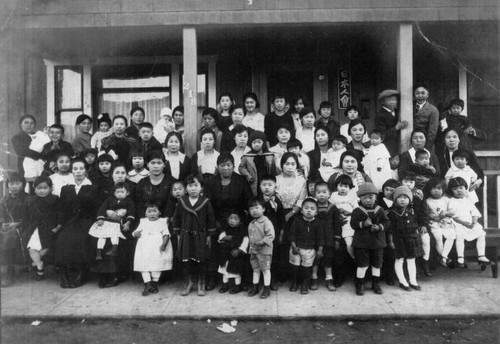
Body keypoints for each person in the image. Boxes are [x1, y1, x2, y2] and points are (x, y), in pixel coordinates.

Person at [204, 153, 253, 291]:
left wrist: (241, 222)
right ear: (217, 167)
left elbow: (248, 202)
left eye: (228, 165)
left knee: (239, 247)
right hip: (217, 221)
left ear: (233, 166)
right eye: (222, 165)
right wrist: (214, 223)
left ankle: (241, 279)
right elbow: (207, 205)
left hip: (237, 221)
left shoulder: (240, 181)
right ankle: (214, 277)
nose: (225, 168)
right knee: (215, 246)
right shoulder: (211, 182)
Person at [172, 174, 217, 296]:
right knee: (186, 260)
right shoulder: (182, 202)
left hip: (200, 235)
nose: (193, 188)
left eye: (196, 185)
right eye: (190, 186)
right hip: (185, 235)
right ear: (186, 188)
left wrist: (209, 235)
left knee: (201, 260)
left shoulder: (205, 202)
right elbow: (176, 219)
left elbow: (211, 220)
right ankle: (189, 282)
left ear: (201, 187)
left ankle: (201, 282)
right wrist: (178, 234)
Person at [54, 158, 94, 288]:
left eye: (81, 169)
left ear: (86, 171)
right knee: (63, 239)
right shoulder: (66, 189)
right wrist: (60, 224)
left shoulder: (91, 187)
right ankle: (64, 273)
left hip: (86, 220)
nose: (78, 172)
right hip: (69, 221)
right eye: (75, 169)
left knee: (81, 239)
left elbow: (95, 207)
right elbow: (61, 208)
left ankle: (80, 272)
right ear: (72, 171)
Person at [350, 182, 389, 296]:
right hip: (362, 244)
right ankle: (359, 284)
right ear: (360, 198)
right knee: (362, 265)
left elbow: (387, 222)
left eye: (371, 197)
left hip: (377, 243)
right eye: (364, 197)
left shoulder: (380, 210)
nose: (367, 200)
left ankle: (375, 284)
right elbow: (353, 224)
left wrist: (379, 227)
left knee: (377, 265)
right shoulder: (357, 211)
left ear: (376, 197)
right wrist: (364, 224)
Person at [387, 186, 425, 291]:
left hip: (412, 239)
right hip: (399, 240)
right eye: (399, 197)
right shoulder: (391, 213)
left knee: (411, 260)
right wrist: (390, 241)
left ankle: (413, 281)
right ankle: (402, 281)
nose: (402, 199)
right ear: (395, 199)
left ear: (410, 199)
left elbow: (416, 223)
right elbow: (389, 229)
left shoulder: (412, 211)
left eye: (405, 197)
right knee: (399, 260)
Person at [447, 177, 490, 269]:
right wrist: (463, 223)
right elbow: (453, 216)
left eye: (461, 188)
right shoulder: (451, 201)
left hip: (470, 223)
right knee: (459, 236)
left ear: (465, 188)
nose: (458, 191)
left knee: (481, 234)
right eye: (455, 189)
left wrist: (474, 222)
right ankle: (460, 257)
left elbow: (474, 212)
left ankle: (481, 255)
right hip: (459, 223)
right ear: (451, 191)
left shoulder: (468, 200)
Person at [133, 202, 173, 296]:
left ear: (159, 212)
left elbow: (166, 234)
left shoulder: (162, 222)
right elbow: (135, 232)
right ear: (145, 213)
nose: (152, 214)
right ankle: (147, 283)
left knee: (156, 265)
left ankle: (154, 283)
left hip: (157, 248)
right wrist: (136, 234)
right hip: (144, 248)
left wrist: (164, 244)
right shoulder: (143, 221)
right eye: (149, 211)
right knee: (144, 265)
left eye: (155, 211)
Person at [89, 182, 135, 260]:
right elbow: (102, 208)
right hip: (106, 221)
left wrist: (128, 222)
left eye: (122, 192)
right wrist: (100, 218)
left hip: (117, 222)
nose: (120, 194)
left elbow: (132, 212)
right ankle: (99, 253)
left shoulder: (129, 202)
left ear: (127, 193)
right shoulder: (109, 199)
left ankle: (114, 249)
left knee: (115, 234)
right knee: (101, 236)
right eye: (118, 192)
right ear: (114, 193)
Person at [25, 176, 59, 281]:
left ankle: (37, 263)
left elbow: (59, 214)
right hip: (35, 227)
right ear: (34, 189)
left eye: (45, 188)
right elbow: (27, 215)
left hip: (50, 227)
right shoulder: (31, 200)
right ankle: (39, 265)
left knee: (45, 247)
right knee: (31, 247)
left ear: (50, 188)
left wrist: (57, 226)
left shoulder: (55, 200)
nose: (42, 191)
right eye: (39, 188)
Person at [288, 197, 323, 295]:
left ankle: (305, 284)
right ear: (302, 210)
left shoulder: (317, 223)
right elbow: (292, 234)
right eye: (306, 208)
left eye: (312, 209)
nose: (309, 210)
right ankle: (294, 283)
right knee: (295, 267)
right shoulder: (297, 221)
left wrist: (320, 250)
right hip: (296, 248)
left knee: (306, 268)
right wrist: (294, 246)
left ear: (316, 212)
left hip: (309, 249)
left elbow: (320, 237)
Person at [311, 182, 341, 292]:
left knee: (328, 259)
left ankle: (329, 279)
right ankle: (314, 278)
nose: (321, 195)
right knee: (315, 259)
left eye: (324, 192)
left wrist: (337, 239)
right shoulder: (312, 207)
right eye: (318, 192)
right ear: (314, 194)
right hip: (315, 239)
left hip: (329, 239)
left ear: (329, 194)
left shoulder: (333, 208)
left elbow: (337, 225)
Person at [0, 172, 29, 287]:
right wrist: (2, 224)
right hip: (7, 227)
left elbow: (29, 217)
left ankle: (10, 272)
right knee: (6, 233)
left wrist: (17, 224)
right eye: (11, 183)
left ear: (23, 185)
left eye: (17, 183)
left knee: (10, 236)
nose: (14, 186)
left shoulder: (27, 199)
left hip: (22, 227)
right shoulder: (4, 199)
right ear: (7, 185)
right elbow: (1, 214)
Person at [259, 174, 285, 290]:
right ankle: (260, 280)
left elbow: (281, 218)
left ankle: (273, 279)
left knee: (273, 257)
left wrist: (281, 233)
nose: (267, 187)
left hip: (273, 233)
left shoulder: (277, 201)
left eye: (270, 185)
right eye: (264, 185)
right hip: (260, 234)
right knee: (259, 256)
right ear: (260, 186)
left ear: (275, 186)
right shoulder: (258, 201)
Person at [423, 178, 456, 267]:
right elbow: (426, 213)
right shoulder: (427, 201)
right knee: (438, 238)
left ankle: (443, 257)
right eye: (433, 188)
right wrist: (433, 216)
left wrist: (445, 213)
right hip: (434, 223)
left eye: (439, 188)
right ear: (429, 189)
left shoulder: (446, 199)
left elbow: (453, 211)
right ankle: (443, 256)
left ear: (443, 190)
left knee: (451, 236)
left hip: (446, 222)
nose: (436, 191)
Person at [247, 197, 275, 299]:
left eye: (256, 208)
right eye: (251, 209)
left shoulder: (266, 222)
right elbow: (251, 237)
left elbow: (271, 236)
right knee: (255, 269)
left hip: (264, 251)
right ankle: (255, 287)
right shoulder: (251, 223)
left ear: (263, 209)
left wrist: (261, 242)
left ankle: (266, 289)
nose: (254, 210)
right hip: (254, 251)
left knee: (265, 269)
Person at [135, 150, 174, 219]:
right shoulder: (142, 183)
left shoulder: (171, 182)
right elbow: (138, 205)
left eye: (159, 163)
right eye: (152, 163)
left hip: (166, 221)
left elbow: (172, 205)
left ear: (164, 164)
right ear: (147, 164)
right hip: (145, 221)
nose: (156, 166)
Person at [217, 209, 248, 294]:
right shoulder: (226, 229)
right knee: (225, 269)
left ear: (241, 221)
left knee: (236, 271)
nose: (232, 221)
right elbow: (220, 238)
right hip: (226, 253)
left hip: (236, 254)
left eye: (235, 219)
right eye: (230, 218)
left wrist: (240, 250)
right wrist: (224, 238)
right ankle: (225, 285)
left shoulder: (242, 230)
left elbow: (246, 241)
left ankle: (237, 286)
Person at [239, 131, 279, 196]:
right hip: (253, 181)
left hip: (266, 181)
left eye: (259, 142)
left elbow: (274, 170)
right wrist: (248, 176)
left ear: (263, 143)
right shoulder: (247, 156)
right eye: (254, 142)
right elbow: (241, 167)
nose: (256, 144)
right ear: (250, 143)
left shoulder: (270, 155)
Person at [376, 179, 400, 286]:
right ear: (383, 189)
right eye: (387, 189)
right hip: (380, 231)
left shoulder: (397, 202)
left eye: (392, 191)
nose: (389, 192)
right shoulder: (378, 200)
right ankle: (379, 275)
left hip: (393, 232)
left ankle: (390, 275)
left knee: (391, 254)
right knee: (380, 254)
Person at [329, 175, 358, 261]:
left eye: (346, 186)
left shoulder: (352, 196)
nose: (343, 188)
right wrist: (338, 211)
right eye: (340, 186)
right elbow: (330, 207)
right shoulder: (333, 196)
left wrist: (351, 213)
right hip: (339, 223)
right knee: (346, 242)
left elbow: (356, 209)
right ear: (336, 186)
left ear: (350, 188)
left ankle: (356, 258)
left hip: (350, 222)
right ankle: (353, 258)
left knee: (353, 242)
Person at [375, 89, 408, 157]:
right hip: (388, 147)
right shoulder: (380, 115)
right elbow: (382, 135)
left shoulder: (398, 111)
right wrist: (396, 127)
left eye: (394, 100)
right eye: (389, 100)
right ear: (383, 101)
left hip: (400, 145)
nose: (392, 102)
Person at [11, 115, 43, 181]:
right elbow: (22, 151)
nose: (29, 125)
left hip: (40, 166)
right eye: (26, 123)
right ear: (20, 124)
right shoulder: (17, 137)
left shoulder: (39, 136)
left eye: (31, 123)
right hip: (26, 167)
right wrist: (41, 155)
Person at [414, 85, 440, 150]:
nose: (420, 96)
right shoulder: (408, 106)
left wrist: (426, 148)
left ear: (427, 95)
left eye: (423, 93)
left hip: (424, 143)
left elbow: (432, 133)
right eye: (417, 93)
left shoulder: (433, 110)